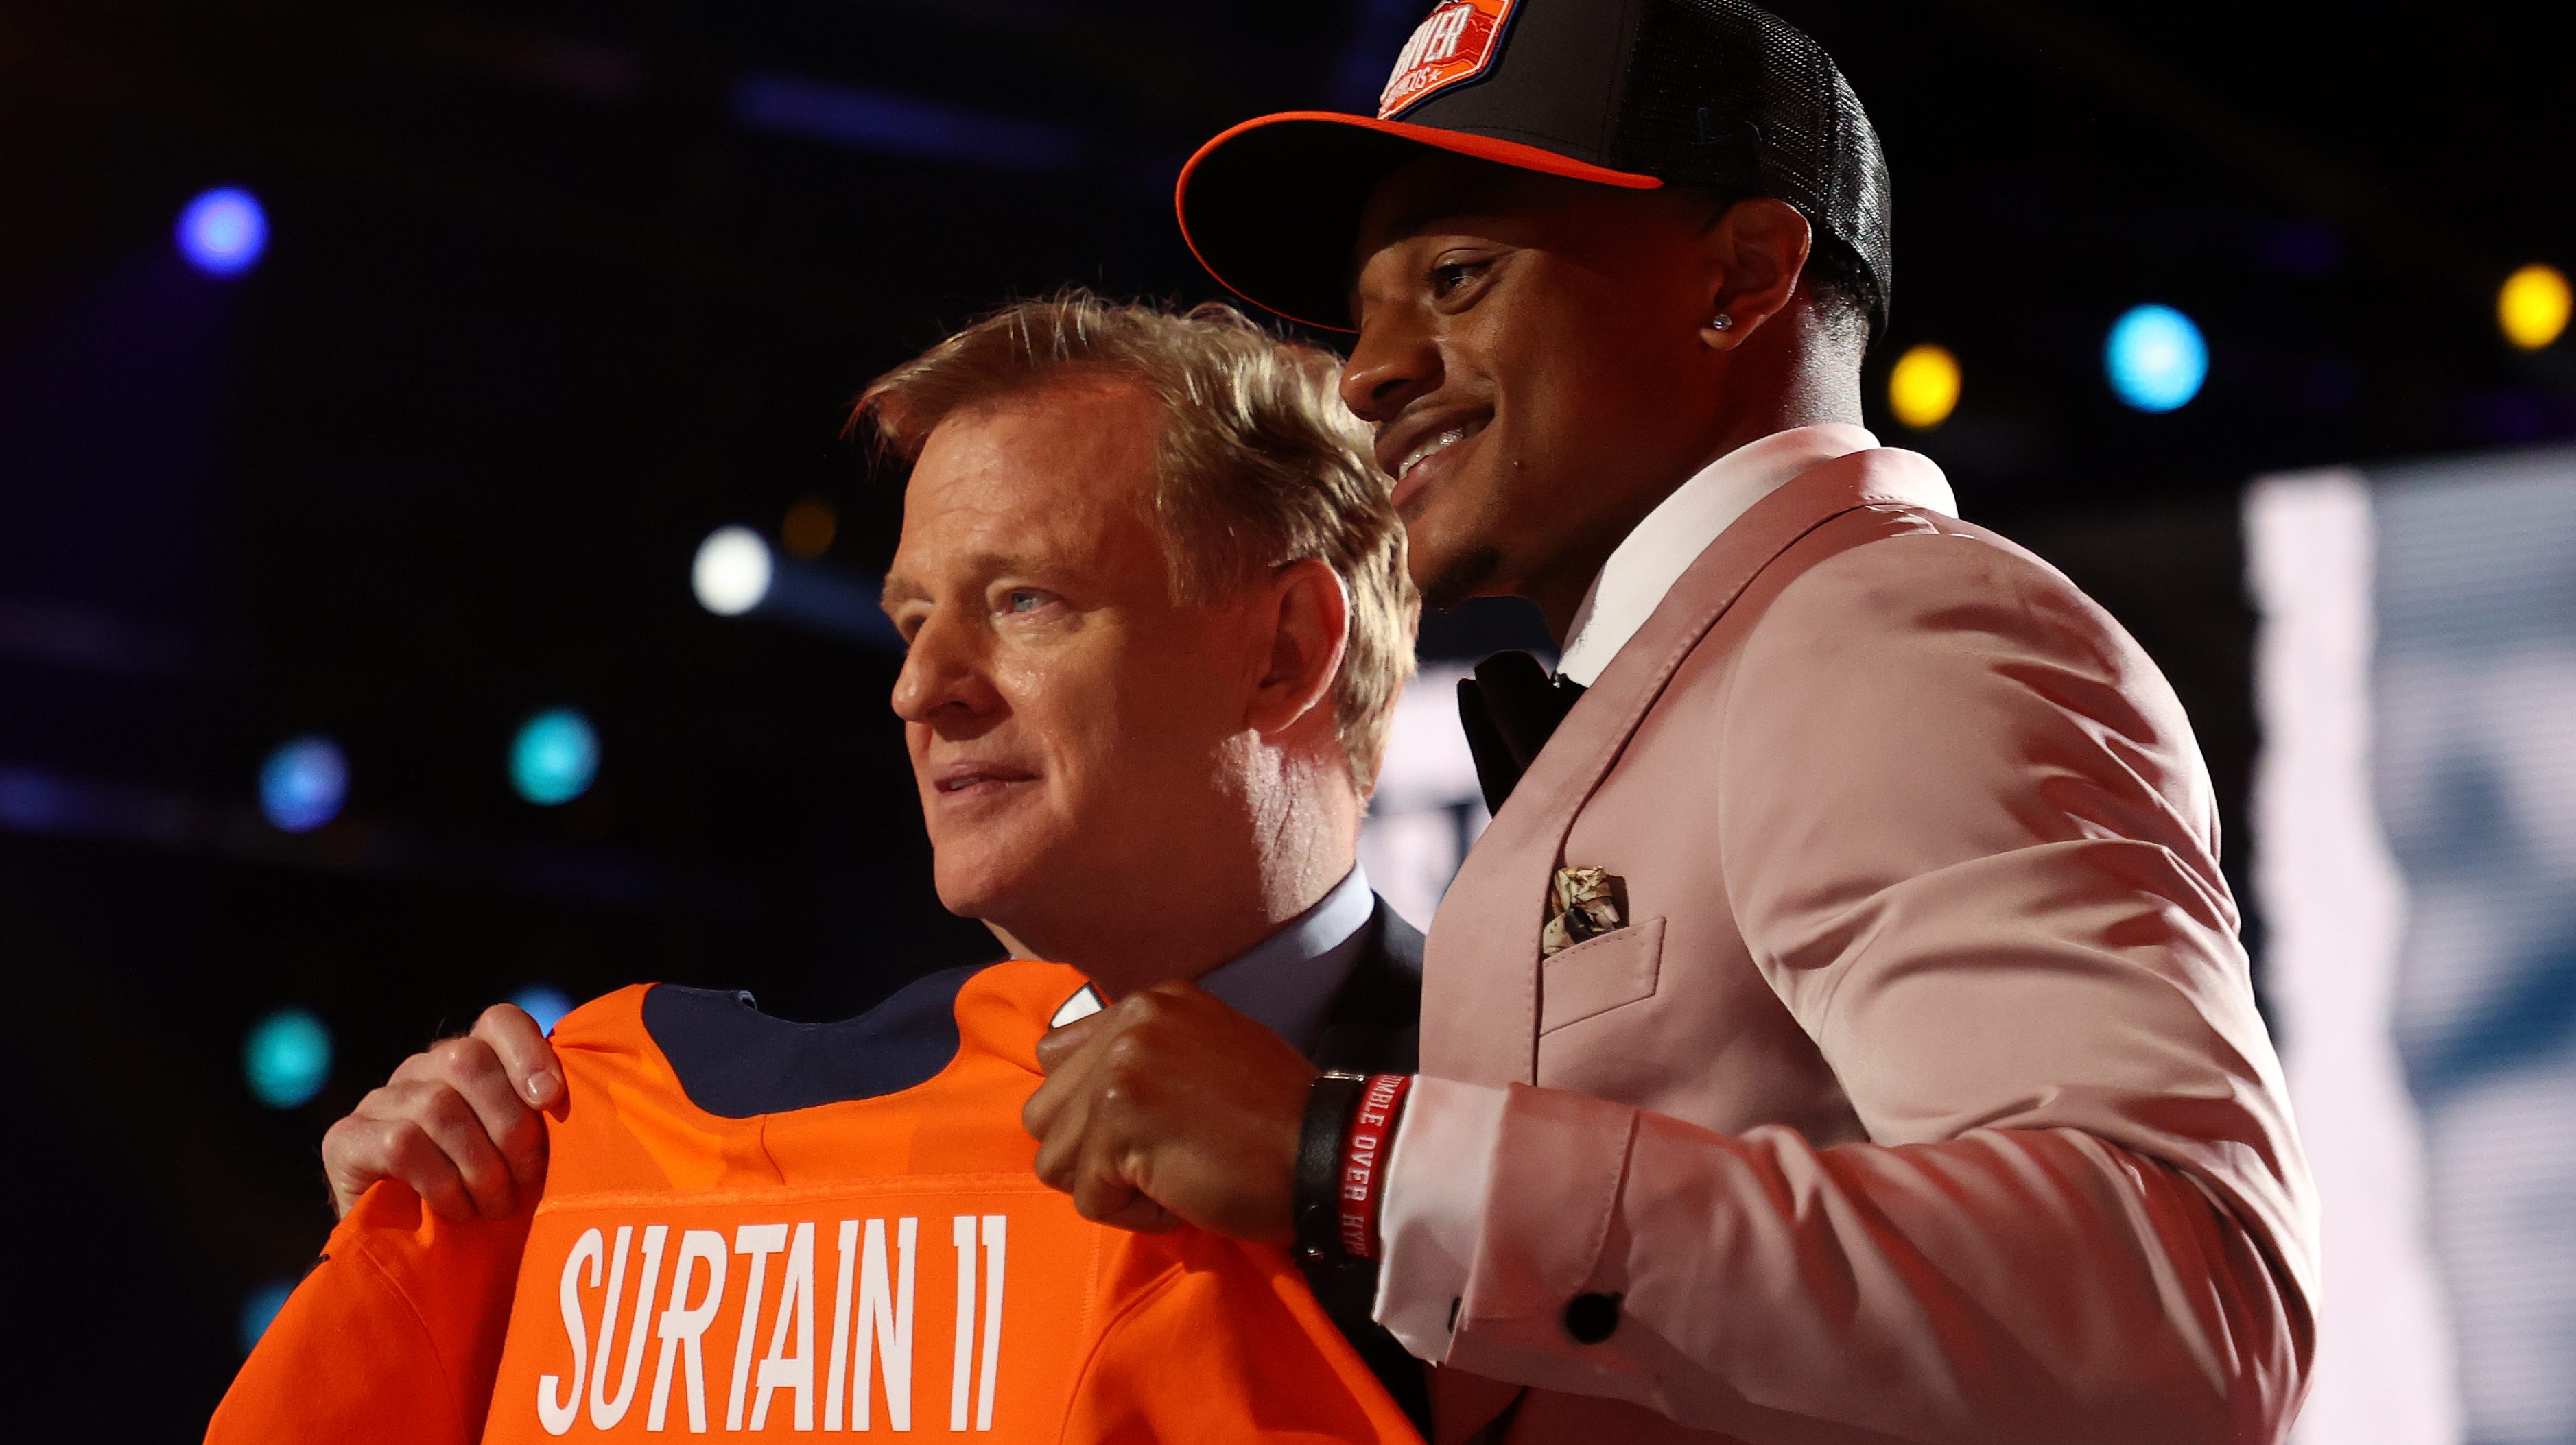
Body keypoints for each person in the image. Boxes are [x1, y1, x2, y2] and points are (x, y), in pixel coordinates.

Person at [1020, 2, 2319, 1442]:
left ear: (1743, 276)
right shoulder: (1729, 663)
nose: (1368, 372)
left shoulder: (1883, 637)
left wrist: (1355, 1157)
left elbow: (2180, 1307)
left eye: (1457, 276)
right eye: (1362, 314)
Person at [283, 294, 1432, 1433]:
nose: (921, 690)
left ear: (1285, 652)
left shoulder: (1530, 1123)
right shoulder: (699, 1153)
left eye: (1024, 600)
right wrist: (449, 1251)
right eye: (911, 619)